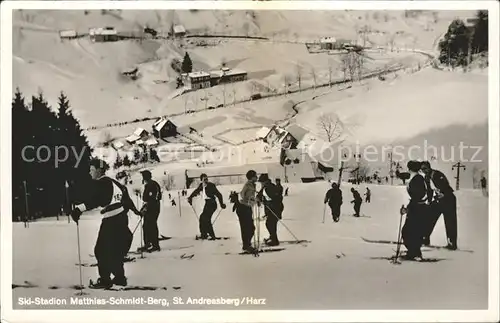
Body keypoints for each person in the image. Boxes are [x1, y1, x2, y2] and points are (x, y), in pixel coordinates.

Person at [71, 158, 141, 289]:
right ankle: (119, 277)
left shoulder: (101, 183)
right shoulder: (113, 182)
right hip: (120, 218)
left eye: (91, 170)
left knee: (101, 250)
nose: (89, 173)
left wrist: (78, 209)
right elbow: (125, 196)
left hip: (112, 220)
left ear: (98, 170)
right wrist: (134, 210)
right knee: (115, 250)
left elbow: (96, 200)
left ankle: (105, 280)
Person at [420, 161, 458, 250]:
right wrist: (429, 201)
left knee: (450, 222)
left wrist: (443, 194)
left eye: (425, 168)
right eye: (422, 169)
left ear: (429, 168)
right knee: (429, 217)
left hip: (448, 200)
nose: (424, 171)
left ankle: (452, 243)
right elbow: (429, 190)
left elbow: (446, 186)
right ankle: (425, 238)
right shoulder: (426, 178)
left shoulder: (437, 174)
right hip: (439, 200)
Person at [400, 160, 427, 261]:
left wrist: (408, 209)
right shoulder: (416, 178)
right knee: (411, 231)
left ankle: (415, 253)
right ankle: (413, 252)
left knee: (410, 231)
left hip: (417, 209)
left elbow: (418, 196)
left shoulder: (417, 179)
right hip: (417, 207)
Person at [188, 174, 226, 240]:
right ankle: (204, 234)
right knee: (202, 218)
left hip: (212, 204)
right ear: (201, 180)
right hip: (207, 203)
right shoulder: (201, 186)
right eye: (204, 179)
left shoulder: (211, 186)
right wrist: (190, 197)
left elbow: (219, 195)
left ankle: (212, 235)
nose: (206, 180)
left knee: (206, 218)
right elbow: (196, 191)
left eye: (206, 179)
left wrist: (221, 204)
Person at [233, 170, 258, 252]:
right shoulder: (248, 185)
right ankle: (246, 245)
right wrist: (250, 200)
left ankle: (247, 244)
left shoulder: (252, 185)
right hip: (243, 208)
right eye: (255, 176)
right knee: (247, 228)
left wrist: (255, 201)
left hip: (247, 208)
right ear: (252, 177)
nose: (257, 177)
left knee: (250, 228)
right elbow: (242, 195)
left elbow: (251, 196)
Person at [138, 170, 162, 253]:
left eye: (144, 176)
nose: (143, 178)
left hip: (153, 208)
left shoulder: (152, 185)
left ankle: (155, 245)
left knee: (151, 225)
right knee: (146, 226)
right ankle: (148, 244)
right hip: (150, 207)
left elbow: (153, 199)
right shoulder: (149, 184)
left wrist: (146, 208)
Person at [257, 174, 283, 246]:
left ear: (265, 181)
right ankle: (272, 237)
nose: (261, 184)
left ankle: (274, 240)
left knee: (270, 224)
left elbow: (275, 198)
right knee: (270, 224)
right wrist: (260, 199)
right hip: (271, 209)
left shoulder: (270, 187)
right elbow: (259, 195)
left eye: (262, 182)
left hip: (275, 209)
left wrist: (265, 201)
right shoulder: (266, 187)